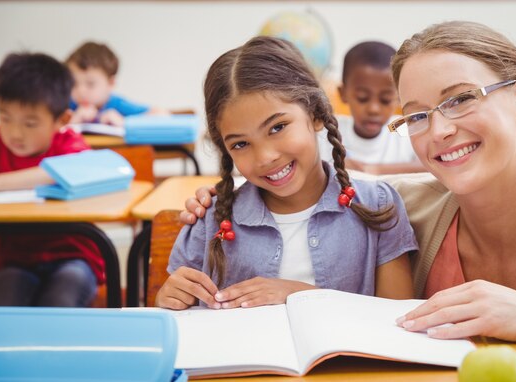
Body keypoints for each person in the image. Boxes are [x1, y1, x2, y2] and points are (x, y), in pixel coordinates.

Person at [181, 22, 516, 381]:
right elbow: (315, 188)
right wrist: (217, 198)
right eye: (416, 115)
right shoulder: (392, 207)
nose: (439, 130)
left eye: (461, 99)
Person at [156, 36, 417, 311]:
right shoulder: (210, 219)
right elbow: (176, 315)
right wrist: (167, 299)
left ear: (316, 114)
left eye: (278, 127)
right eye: (241, 144)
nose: (265, 157)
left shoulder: (378, 206)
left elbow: (396, 319)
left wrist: (301, 295)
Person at [0, 52, 105, 306]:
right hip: (16, 260)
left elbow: (77, 169)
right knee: (4, 303)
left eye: (30, 123)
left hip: (73, 257)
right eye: (5, 117)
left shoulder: (68, 143)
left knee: (60, 301)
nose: (14, 132)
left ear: (62, 120)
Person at [319, 41, 424, 174]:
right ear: (343, 93)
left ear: (399, 97)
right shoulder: (327, 132)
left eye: (385, 100)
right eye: (362, 98)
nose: (374, 109)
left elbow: (434, 165)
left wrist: (372, 170)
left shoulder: (406, 129)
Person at [65, 41, 166, 126]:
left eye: (90, 84)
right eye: (74, 83)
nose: (81, 91)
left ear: (111, 83)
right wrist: (74, 121)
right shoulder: (68, 105)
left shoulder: (117, 104)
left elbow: (161, 114)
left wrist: (123, 122)